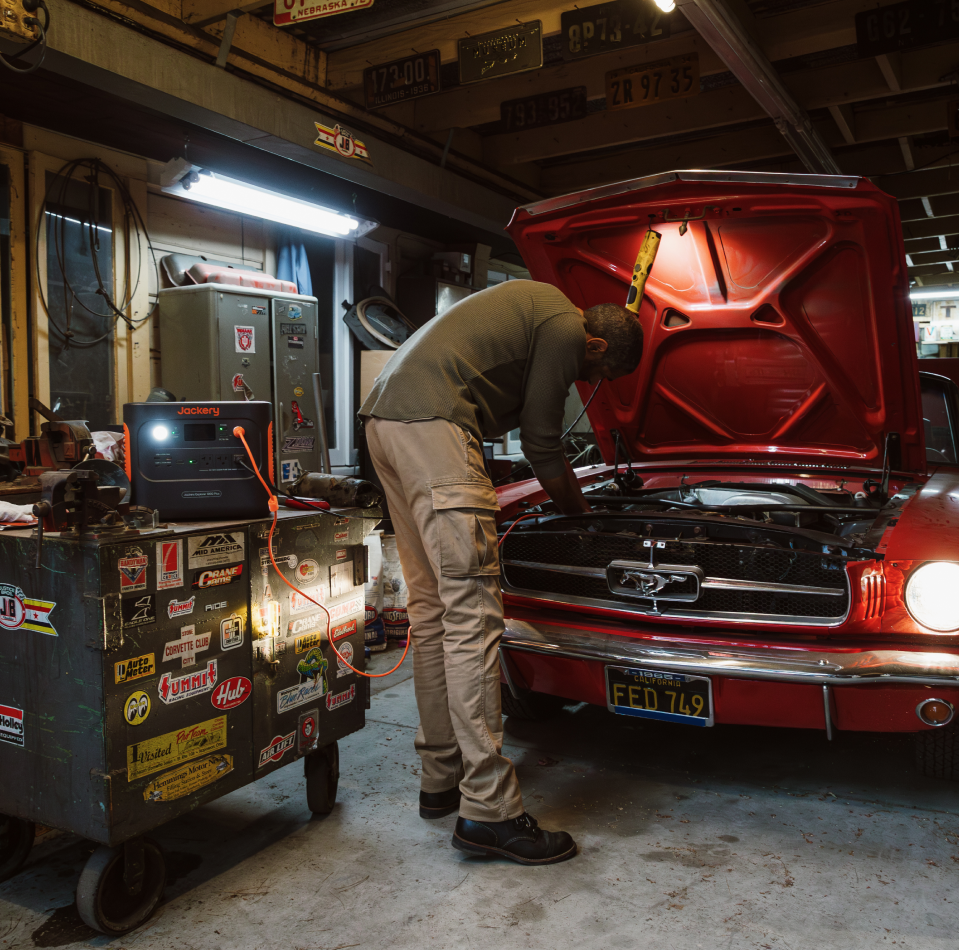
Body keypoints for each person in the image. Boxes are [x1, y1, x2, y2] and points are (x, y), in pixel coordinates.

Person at [360, 279, 643, 865]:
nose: (589, 387)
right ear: (595, 345)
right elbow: (542, 441)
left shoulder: (534, 306)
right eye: (599, 374)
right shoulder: (566, 327)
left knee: (435, 617)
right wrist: (581, 515)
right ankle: (489, 812)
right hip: (435, 426)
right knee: (472, 622)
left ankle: (441, 777)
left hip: (386, 422)